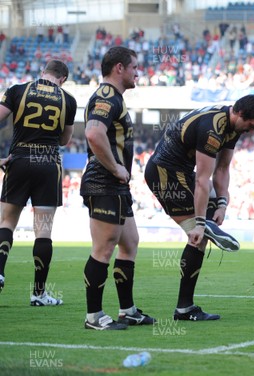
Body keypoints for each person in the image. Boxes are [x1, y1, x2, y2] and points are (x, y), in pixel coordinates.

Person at [144, 95, 254, 321]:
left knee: (201, 231)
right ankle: (184, 308)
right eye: (250, 126)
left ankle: (186, 306)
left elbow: (222, 168)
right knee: (198, 234)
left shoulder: (233, 128)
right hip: (166, 173)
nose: (250, 131)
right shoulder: (213, 128)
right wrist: (200, 223)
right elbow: (203, 179)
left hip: (182, 173)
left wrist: (222, 204)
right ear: (240, 114)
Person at [80, 46, 155, 330]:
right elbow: (92, 133)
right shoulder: (106, 96)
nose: (138, 72)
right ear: (119, 68)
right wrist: (115, 168)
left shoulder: (115, 98)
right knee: (103, 248)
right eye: (134, 67)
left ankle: (127, 311)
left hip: (115, 185)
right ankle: (94, 317)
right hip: (104, 182)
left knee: (129, 242)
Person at [0, 60, 76, 305]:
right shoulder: (68, 100)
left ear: (43, 72)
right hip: (48, 162)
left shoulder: (17, 90)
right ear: (62, 79)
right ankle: (39, 293)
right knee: (43, 230)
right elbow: (65, 139)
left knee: (7, 221)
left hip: (19, 158)